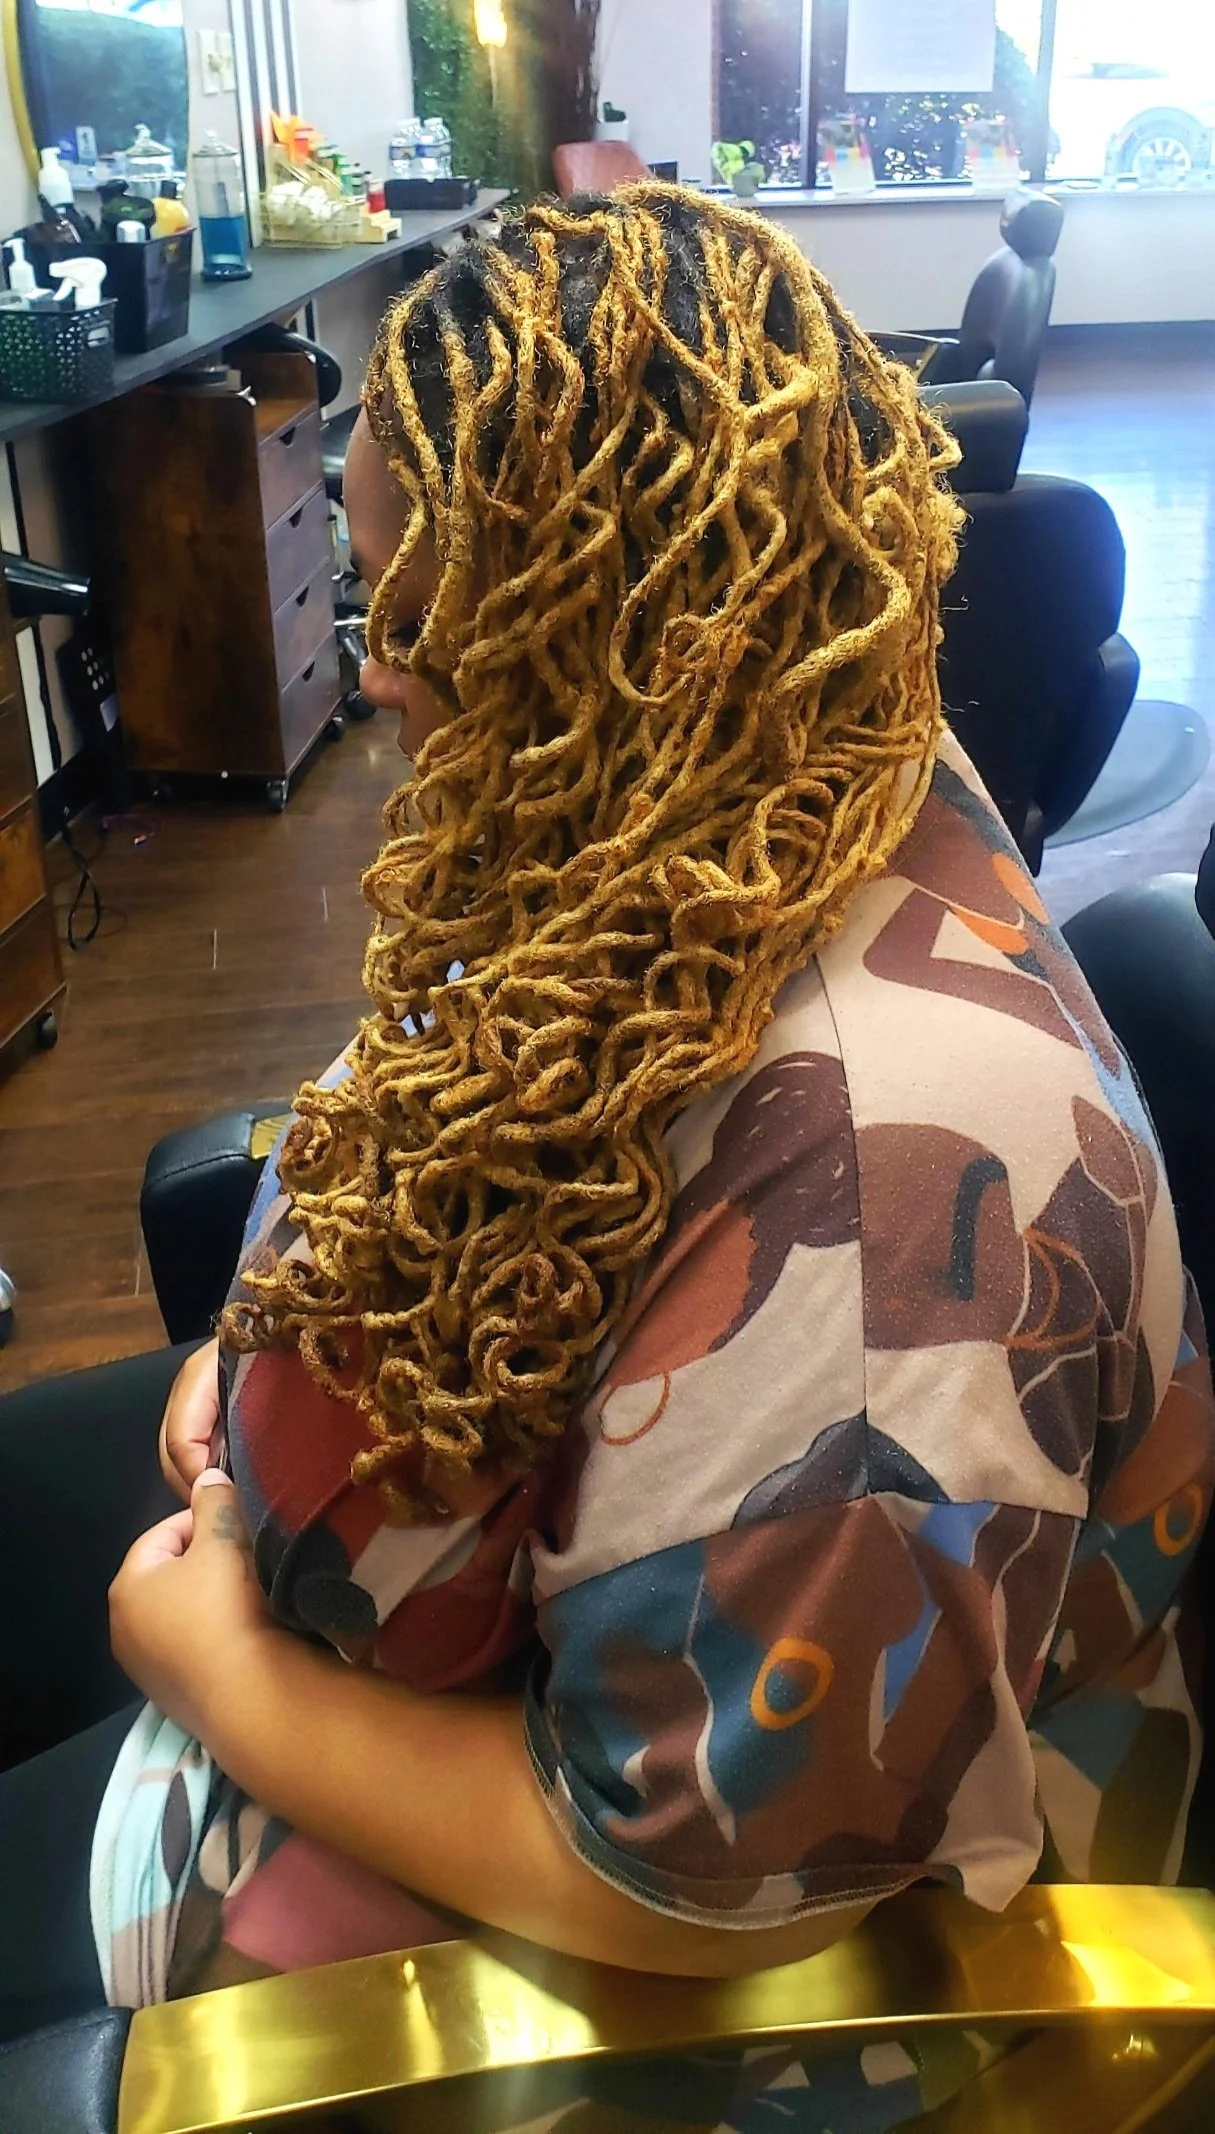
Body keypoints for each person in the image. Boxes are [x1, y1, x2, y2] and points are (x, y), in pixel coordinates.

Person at [2, 186, 1213, 2131]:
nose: (379, 666)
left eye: (417, 610)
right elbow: (471, 1079)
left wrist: (213, 1659)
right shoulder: (722, 774)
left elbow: (685, 1880)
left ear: (609, 618)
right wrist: (265, 1332)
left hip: (662, 1965)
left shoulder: (889, 1246)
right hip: (393, 1555)